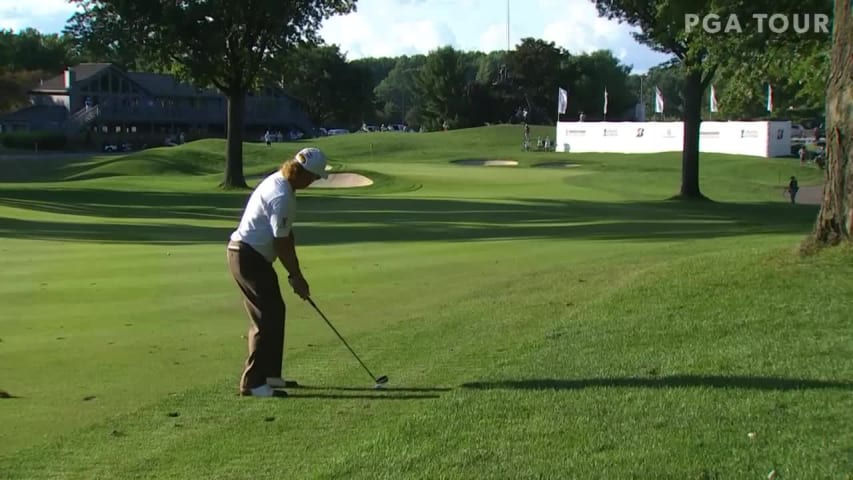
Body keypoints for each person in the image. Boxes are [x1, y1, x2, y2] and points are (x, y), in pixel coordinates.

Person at [226, 147, 329, 397]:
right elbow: (281, 242)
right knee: (266, 316)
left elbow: (286, 234)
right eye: (314, 178)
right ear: (304, 175)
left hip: (252, 256)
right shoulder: (281, 196)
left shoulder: (280, 181)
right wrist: (296, 276)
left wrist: (296, 273)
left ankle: (270, 376)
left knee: (274, 311)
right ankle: (252, 383)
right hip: (247, 257)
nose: (314, 182)